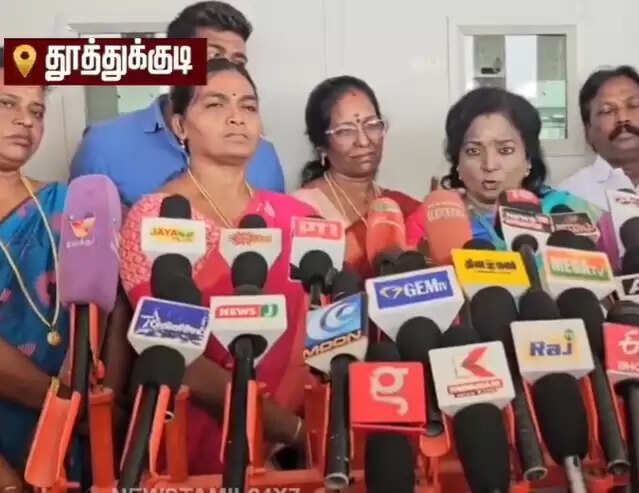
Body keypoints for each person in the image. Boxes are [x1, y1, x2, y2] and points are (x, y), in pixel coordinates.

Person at [119, 58, 313, 475]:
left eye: (248, 106)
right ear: (179, 126)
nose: (236, 117)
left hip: (291, 458)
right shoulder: (156, 217)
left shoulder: (297, 217)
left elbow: (319, 333)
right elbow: (173, 350)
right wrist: (294, 429)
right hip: (186, 448)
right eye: (215, 104)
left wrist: (310, 434)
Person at [0, 47, 132, 490]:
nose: (25, 120)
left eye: (36, 111)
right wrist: (63, 406)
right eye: (7, 104)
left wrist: (101, 409)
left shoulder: (73, 202)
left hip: (78, 427)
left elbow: (115, 306)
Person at [70, 1, 285, 206]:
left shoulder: (263, 156)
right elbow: (82, 227)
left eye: (238, 62)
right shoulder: (104, 145)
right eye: (213, 56)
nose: (227, 71)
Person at [292, 76, 420, 276]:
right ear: (321, 145)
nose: (364, 141)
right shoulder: (301, 207)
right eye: (345, 131)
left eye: (372, 125)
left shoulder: (400, 205)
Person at [405, 87, 554, 249]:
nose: (489, 165)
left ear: (529, 158)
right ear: (458, 162)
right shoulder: (432, 217)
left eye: (505, 150)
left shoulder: (558, 210)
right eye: (474, 151)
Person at [559, 65, 639, 209]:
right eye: (607, 111)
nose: (623, 118)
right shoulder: (570, 196)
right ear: (588, 131)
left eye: (634, 105)